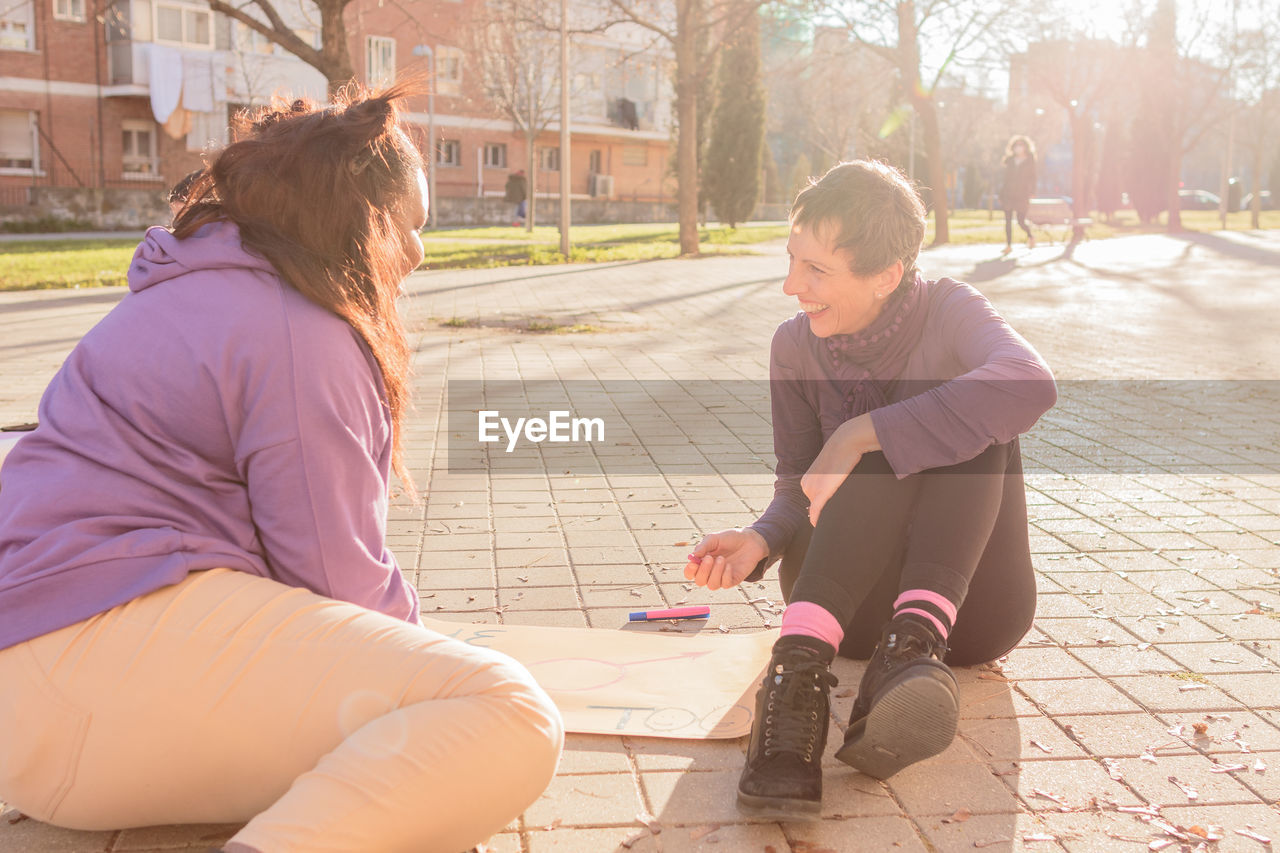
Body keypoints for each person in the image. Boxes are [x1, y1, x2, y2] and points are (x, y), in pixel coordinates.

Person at [0, 83, 563, 853]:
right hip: (103, 665)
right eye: (410, 225)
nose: (421, 252)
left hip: (37, 715)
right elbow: (338, 577)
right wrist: (428, 669)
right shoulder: (301, 331)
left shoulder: (189, 291)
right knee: (504, 710)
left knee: (396, 755)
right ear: (360, 219)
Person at [683, 161, 1056, 816]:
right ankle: (794, 680)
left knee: (973, 406)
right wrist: (760, 538)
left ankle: (912, 646)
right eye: (792, 260)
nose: (791, 285)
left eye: (816, 270)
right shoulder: (794, 347)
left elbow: (1031, 382)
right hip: (841, 610)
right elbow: (799, 482)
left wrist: (859, 431)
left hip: (973, 612)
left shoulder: (949, 309)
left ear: (888, 275)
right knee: (900, 431)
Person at [1000, 135, 1037, 254]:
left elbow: (1033, 178)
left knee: (1021, 221)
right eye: (1016, 145)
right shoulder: (1009, 160)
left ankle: (1030, 236)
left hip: (1022, 195)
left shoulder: (1030, 161)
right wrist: (1001, 193)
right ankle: (1008, 245)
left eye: (1021, 145)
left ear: (1026, 147)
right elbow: (1004, 179)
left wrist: (1032, 191)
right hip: (1008, 194)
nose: (1018, 148)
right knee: (1008, 221)